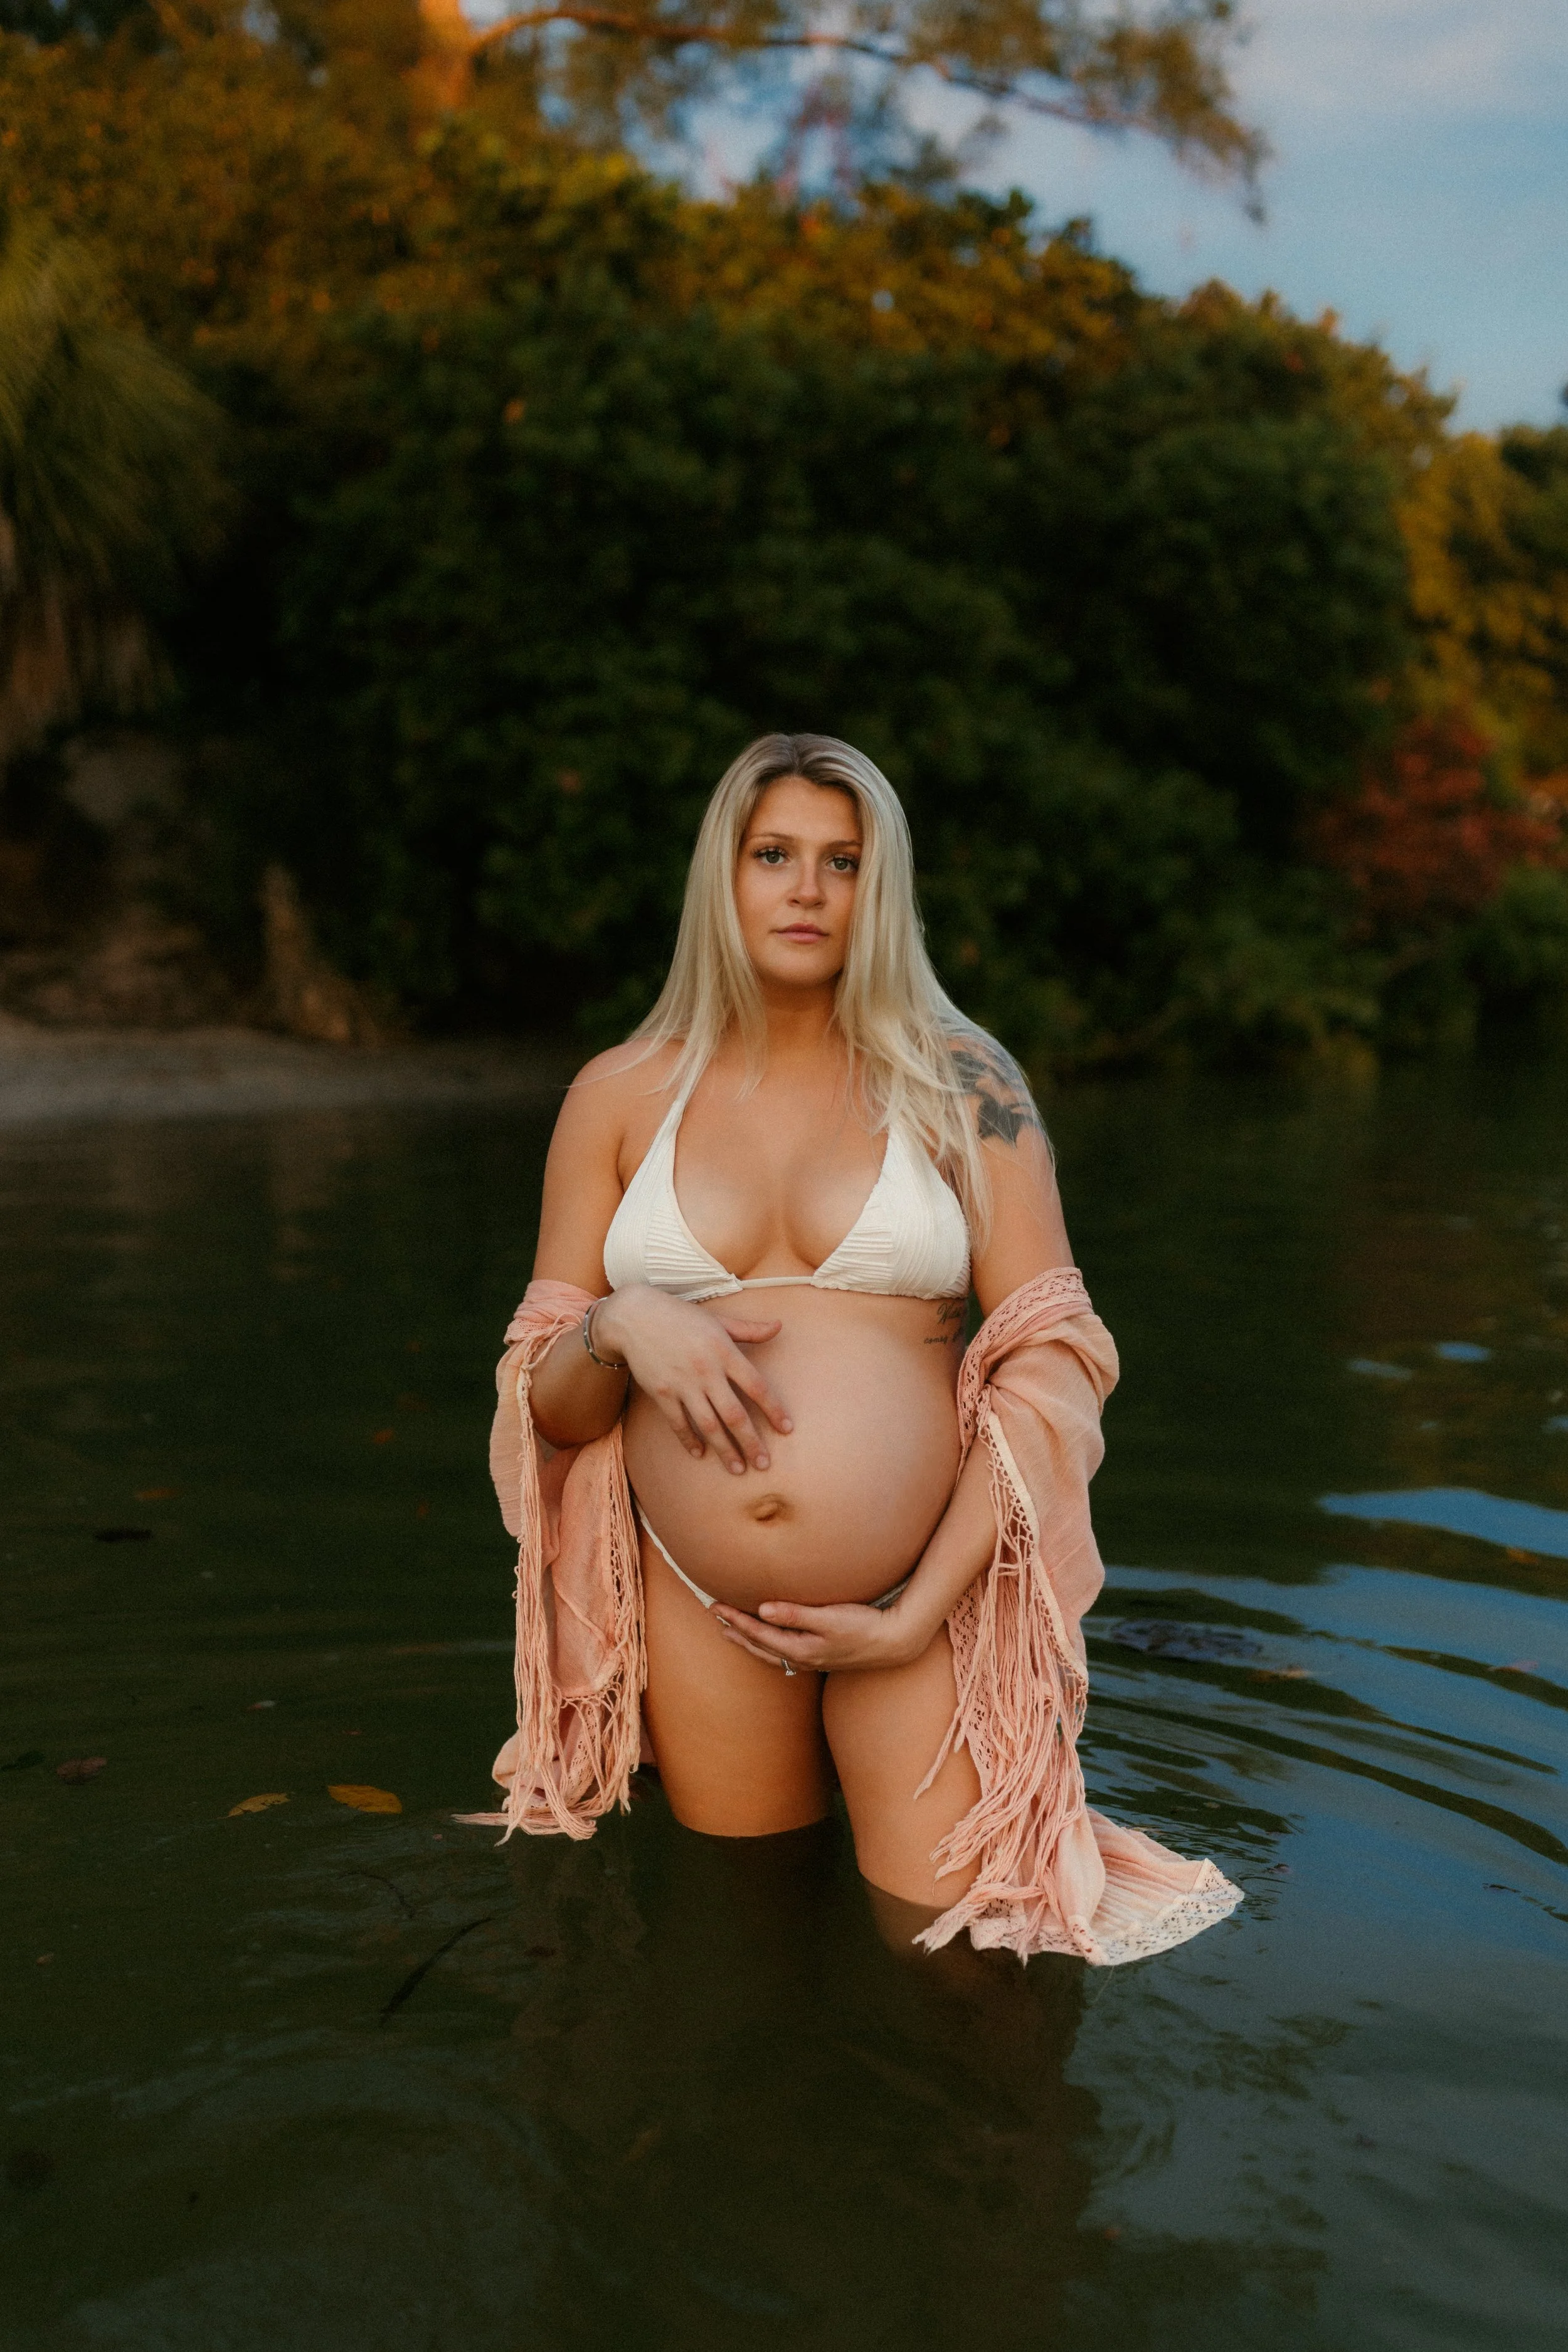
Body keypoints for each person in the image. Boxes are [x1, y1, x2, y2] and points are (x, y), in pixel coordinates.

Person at [462, 734, 1241, 1963]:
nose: (807, 891)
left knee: (974, 1972)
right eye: (773, 854)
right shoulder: (617, 1093)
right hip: (696, 1595)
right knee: (741, 1940)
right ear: (720, 877)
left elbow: (1055, 1356)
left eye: (844, 861)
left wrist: (912, 1611)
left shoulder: (961, 1083)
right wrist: (622, 1323)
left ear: (883, 891)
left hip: (917, 1602)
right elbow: (549, 1408)